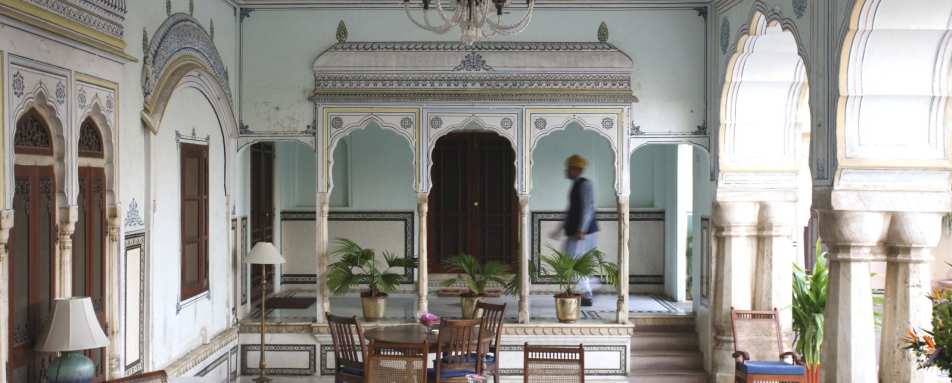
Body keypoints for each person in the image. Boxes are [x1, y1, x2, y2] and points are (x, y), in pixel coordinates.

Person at [549, 154, 599, 306]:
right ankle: (593, 285)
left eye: (569, 168)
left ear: (576, 169)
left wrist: (581, 230)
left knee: (575, 263)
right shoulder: (576, 185)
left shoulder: (585, 184)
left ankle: (588, 293)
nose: (566, 171)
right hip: (576, 233)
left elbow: (588, 208)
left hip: (584, 233)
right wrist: (559, 229)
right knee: (570, 260)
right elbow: (571, 211)